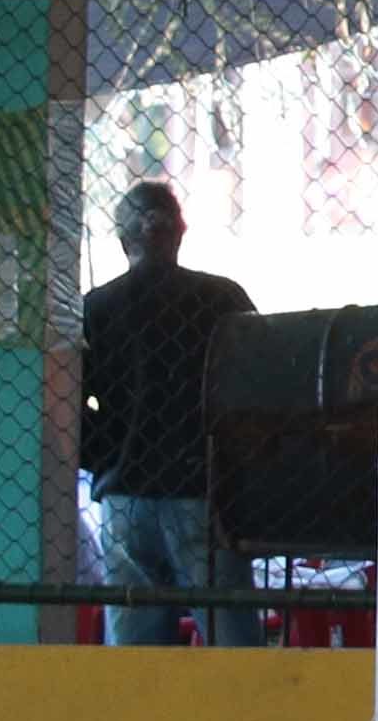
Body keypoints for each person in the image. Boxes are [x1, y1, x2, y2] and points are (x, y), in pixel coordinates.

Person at [76, 180, 262, 651]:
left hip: (125, 494)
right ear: (179, 234)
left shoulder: (97, 307)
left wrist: (105, 456)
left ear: (124, 242)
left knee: (137, 653)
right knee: (233, 647)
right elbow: (264, 385)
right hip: (204, 490)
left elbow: (69, 404)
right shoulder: (222, 299)